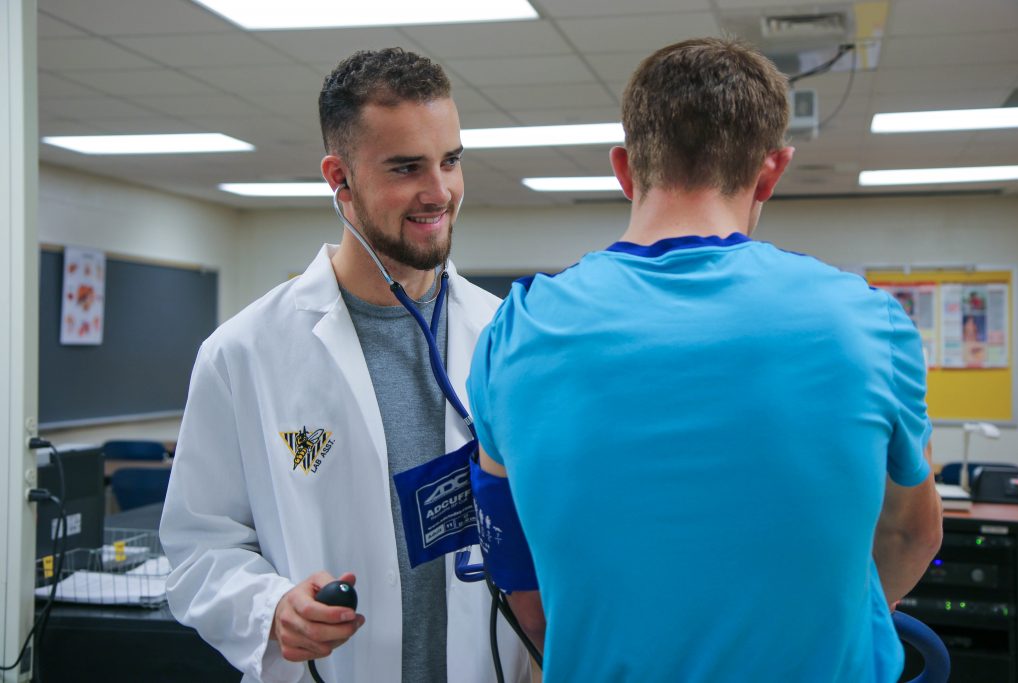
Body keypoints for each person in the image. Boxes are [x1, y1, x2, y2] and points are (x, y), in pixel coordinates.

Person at [466, 38, 943, 682]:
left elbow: (521, 584)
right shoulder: (867, 323)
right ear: (772, 171)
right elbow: (913, 535)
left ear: (624, 169)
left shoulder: (514, 332)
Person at [160, 48, 530, 683]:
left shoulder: (507, 335)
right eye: (406, 167)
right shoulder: (244, 353)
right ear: (340, 178)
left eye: (450, 161)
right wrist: (270, 608)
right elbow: (197, 551)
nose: (439, 192)